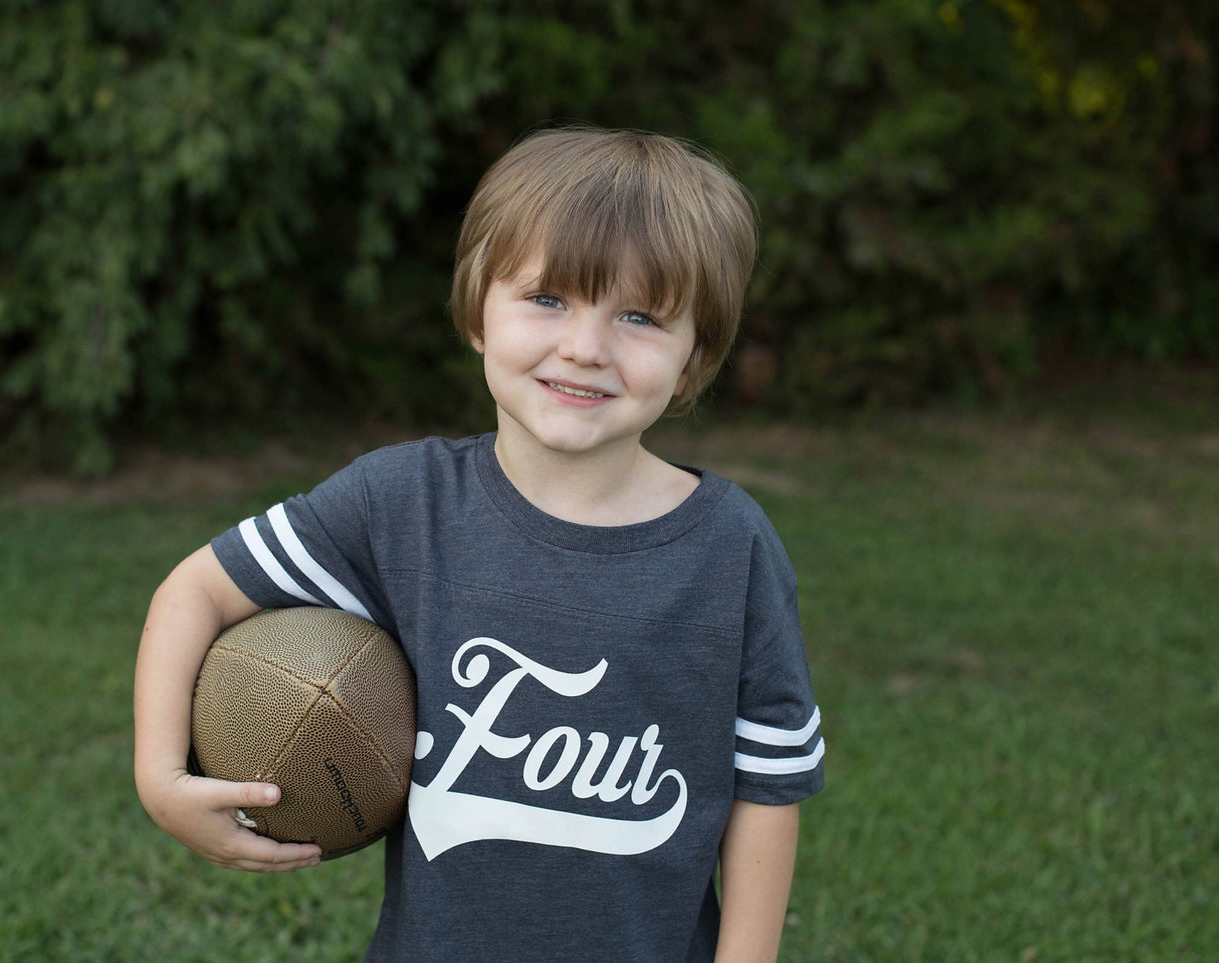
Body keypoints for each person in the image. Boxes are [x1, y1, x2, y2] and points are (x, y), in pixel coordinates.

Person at [134, 126, 825, 962]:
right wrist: (161, 777)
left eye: (639, 315)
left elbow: (766, 787)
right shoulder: (403, 503)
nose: (585, 346)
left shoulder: (728, 547)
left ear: (693, 359)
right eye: (547, 299)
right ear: (476, 311)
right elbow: (197, 590)